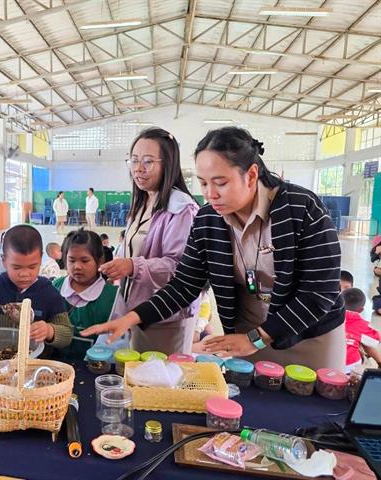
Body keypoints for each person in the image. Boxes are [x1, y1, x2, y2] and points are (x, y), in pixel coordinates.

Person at [84, 127, 346, 371]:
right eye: (203, 183)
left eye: (220, 183)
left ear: (251, 175)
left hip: (310, 335)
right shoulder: (208, 219)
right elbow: (185, 286)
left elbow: (318, 293)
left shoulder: (302, 209)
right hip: (246, 333)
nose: (210, 194)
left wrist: (258, 339)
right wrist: (131, 318)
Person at [97, 127, 200, 354]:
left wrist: (133, 266)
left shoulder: (181, 209)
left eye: (147, 161)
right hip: (137, 310)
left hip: (166, 318)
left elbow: (180, 268)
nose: (138, 169)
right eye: (133, 161)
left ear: (168, 164)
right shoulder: (142, 202)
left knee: (163, 380)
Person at [52, 229, 117, 359]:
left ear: (99, 261)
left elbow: (117, 342)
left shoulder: (112, 297)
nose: (77, 266)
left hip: (96, 370)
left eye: (85, 260)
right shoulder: (54, 288)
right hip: (55, 369)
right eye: (71, 260)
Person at [341, 288, 381, 372]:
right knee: (364, 343)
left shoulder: (329, 315)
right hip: (349, 366)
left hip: (325, 361)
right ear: (361, 310)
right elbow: (375, 341)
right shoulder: (361, 324)